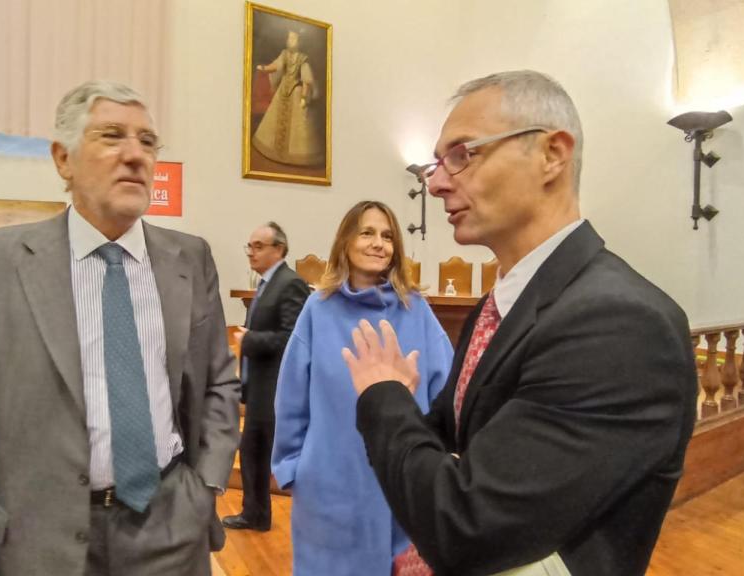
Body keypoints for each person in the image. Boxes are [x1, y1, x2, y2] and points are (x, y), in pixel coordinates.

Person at [343, 71, 698, 576]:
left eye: (462, 154)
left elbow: (464, 527)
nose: (438, 182)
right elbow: (458, 439)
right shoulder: (503, 303)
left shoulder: (619, 323)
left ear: (552, 154)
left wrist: (382, 394)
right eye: (437, 164)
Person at [0, 80, 240, 576]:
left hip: (170, 529)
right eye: (112, 136)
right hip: (42, 539)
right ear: (63, 159)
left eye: (148, 141)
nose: (135, 155)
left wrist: (207, 485)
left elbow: (220, 379)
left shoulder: (190, 258)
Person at [272, 200, 454, 575]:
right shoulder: (317, 309)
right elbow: (292, 394)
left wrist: (437, 469)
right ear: (345, 242)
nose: (378, 243)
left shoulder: (415, 309)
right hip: (329, 484)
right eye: (367, 232)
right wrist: (292, 467)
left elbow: (445, 392)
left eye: (387, 236)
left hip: (402, 486)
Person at [222, 222, 311, 532]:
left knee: (266, 455)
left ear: (279, 250)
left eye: (258, 246)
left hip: (276, 390)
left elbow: (292, 338)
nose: (251, 253)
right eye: (250, 246)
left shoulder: (290, 283)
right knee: (251, 453)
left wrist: (251, 341)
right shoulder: (264, 284)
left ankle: (296, 519)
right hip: (259, 388)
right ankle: (254, 513)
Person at [252, 30, 324, 167]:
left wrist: (303, 97)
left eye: (294, 38)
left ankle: (296, 156)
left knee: (299, 127)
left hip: (296, 92)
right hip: (283, 91)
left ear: (300, 42)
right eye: (289, 38)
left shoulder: (303, 59)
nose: (291, 40)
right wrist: (265, 68)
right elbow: (276, 65)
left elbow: (306, 80)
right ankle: (274, 151)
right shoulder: (284, 54)